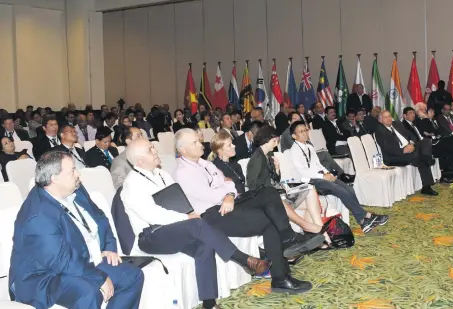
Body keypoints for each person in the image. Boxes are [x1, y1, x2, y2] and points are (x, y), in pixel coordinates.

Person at [121, 139, 270, 309]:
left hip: (173, 229)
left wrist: (189, 213)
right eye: (150, 150)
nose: (155, 151)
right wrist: (187, 219)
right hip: (151, 236)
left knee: (203, 245)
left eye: (153, 147)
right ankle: (244, 260)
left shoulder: (162, 174)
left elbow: (177, 200)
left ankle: (209, 303)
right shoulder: (132, 184)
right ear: (139, 160)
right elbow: (153, 215)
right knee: (197, 225)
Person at [173, 129, 316, 293]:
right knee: (269, 220)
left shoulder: (205, 163)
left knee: (268, 192)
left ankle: (287, 241)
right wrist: (226, 191)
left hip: (227, 204)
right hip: (212, 215)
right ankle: (281, 273)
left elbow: (231, 184)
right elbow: (211, 195)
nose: (200, 144)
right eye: (195, 142)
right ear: (183, 150)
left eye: (198, 140)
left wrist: (228, 192)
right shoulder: (183, 173)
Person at [9, 151, 144, 309]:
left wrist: (109, 247)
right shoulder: (38, 215)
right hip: (44, 277)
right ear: (55, 178)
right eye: (72, 170)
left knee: (132, 276)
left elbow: (99, 216)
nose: (78, 173)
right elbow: (61, 263)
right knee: (88, 291)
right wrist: (100, 278)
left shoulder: (75, 188)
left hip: (82, 259)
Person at [288, 121, 389, 233]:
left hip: (321, 177)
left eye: (306, 130)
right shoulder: (294, 151)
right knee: (339, 189)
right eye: (301, 132)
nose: (305, 133)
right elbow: (303, 172)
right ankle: (366, 216)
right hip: (310, 182)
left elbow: (318, 164)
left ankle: (362, 222)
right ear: (294, 136)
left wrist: (328, 174)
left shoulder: (309, 146)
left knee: (349, 189)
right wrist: (322, 176)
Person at [245, 125, 333, 237]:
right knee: (306, 203)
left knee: (310, 191)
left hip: (276, 193)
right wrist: (270, 189)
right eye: (274, 141)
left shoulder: (269, 154)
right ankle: (318, 232)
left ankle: (318, 233)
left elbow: (275, 179)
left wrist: (276, 170)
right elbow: (252, 186)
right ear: (266, 140)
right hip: (266, 198)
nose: (276, 144)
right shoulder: (257, 158)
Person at [375, 110, 438, 196]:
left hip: (410, 148)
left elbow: (410, 134)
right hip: (395, 157)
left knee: (425, 142)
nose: (389, 119)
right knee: (420, 156)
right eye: (385, 117)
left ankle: (426, 160)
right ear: (380, 120)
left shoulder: (396, 124)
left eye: (389, 116)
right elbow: (386, 148)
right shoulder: (380, 130)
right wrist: (403, 150)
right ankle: (428, 163)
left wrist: (412, 143)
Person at [280, 112, 353, 183]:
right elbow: (301, 148)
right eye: (295, 119)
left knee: (325, 161)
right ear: (289, 122)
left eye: (299, 119)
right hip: (297, 161)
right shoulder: (289, 134)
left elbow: (308, 145)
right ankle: (339, 176)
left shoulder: (298, 131)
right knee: (324, 154)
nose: (298, 121)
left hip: (305, 155)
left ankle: (334, 177)